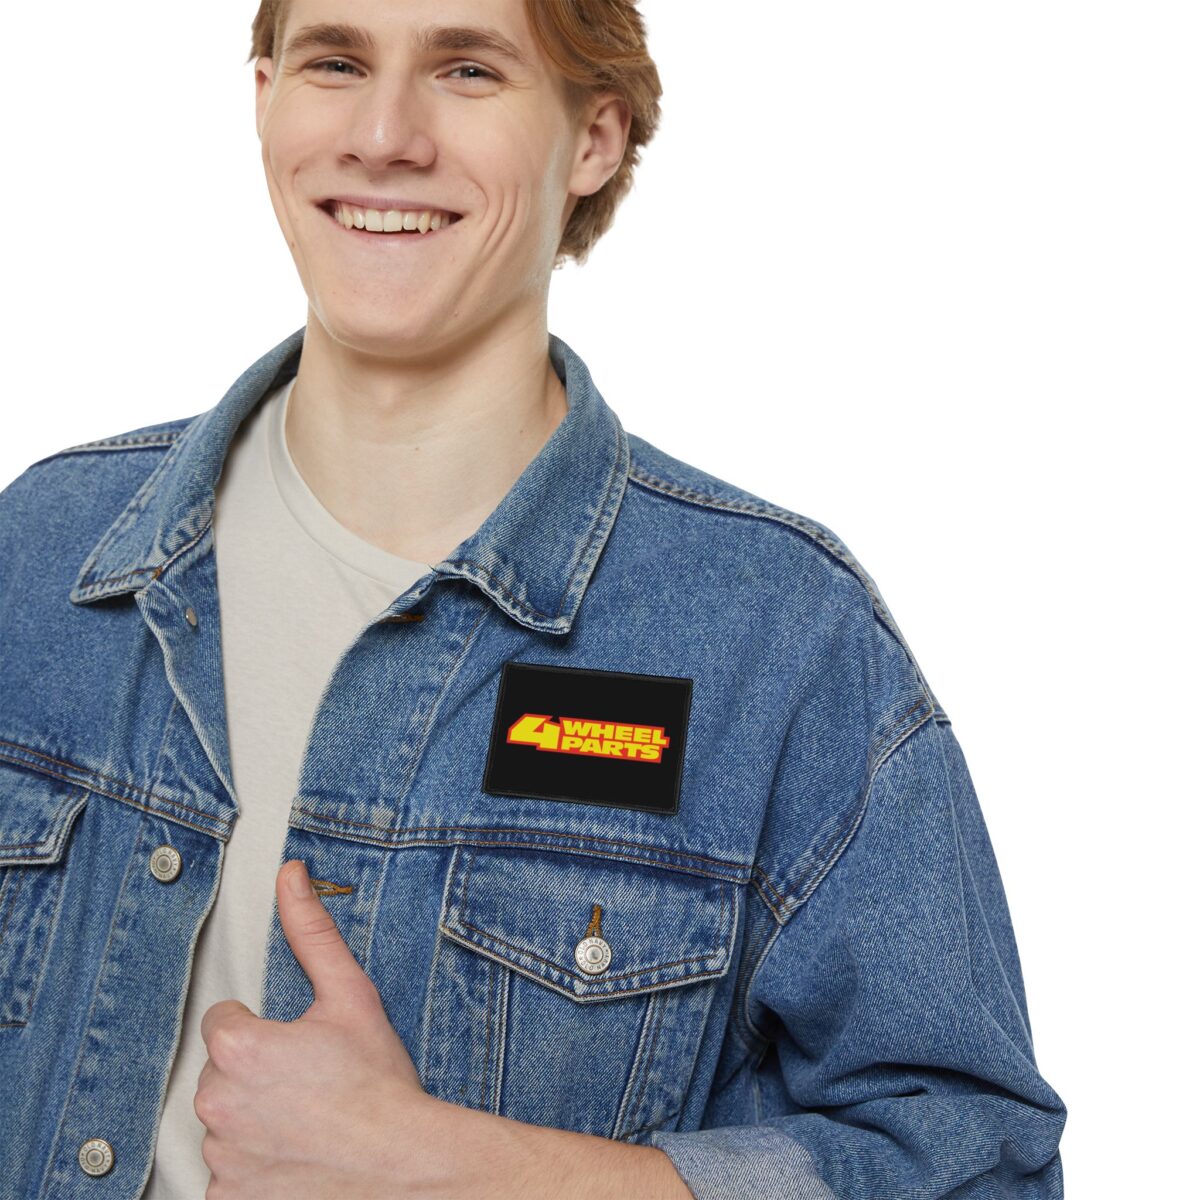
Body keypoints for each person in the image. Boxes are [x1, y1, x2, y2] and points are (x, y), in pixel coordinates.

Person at [0, 0, 1067, 1196]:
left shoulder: (776, 640)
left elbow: (980, 1166)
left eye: (467, 69)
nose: (384, 135)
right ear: (264, 98)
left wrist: (456, 1170)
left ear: (594, 138)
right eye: (336, 61)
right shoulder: (37, 557)